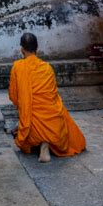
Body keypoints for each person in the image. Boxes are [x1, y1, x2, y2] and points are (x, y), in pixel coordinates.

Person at [9, 32, 86, 162]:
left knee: (27, 114)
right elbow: (53, 95)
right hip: (53, 121)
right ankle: (45, 144)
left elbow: (14, 96)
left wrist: (23, 108)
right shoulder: (47, 68)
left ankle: (37, 139)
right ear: (37, 49)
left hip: (32, 124)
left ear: (22, 49)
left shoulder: (18, 66)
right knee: (57, 108)